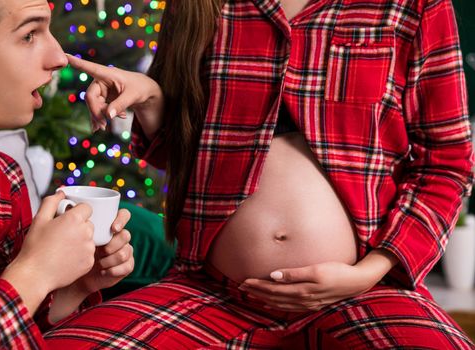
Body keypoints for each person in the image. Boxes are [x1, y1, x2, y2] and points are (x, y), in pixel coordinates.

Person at [45, 0, 475, 348]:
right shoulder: (198, 7)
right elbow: (178, 150)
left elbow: (447, 165)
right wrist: (150, 98)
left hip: (364, 293)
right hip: (212, 293)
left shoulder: (414, 8)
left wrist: (370, 272)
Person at [0, 0, 135, 348]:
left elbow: (22, 329)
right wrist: (35, 273)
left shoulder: (6, 176)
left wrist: (75, 283)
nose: (59, 57)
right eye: (29, 34)